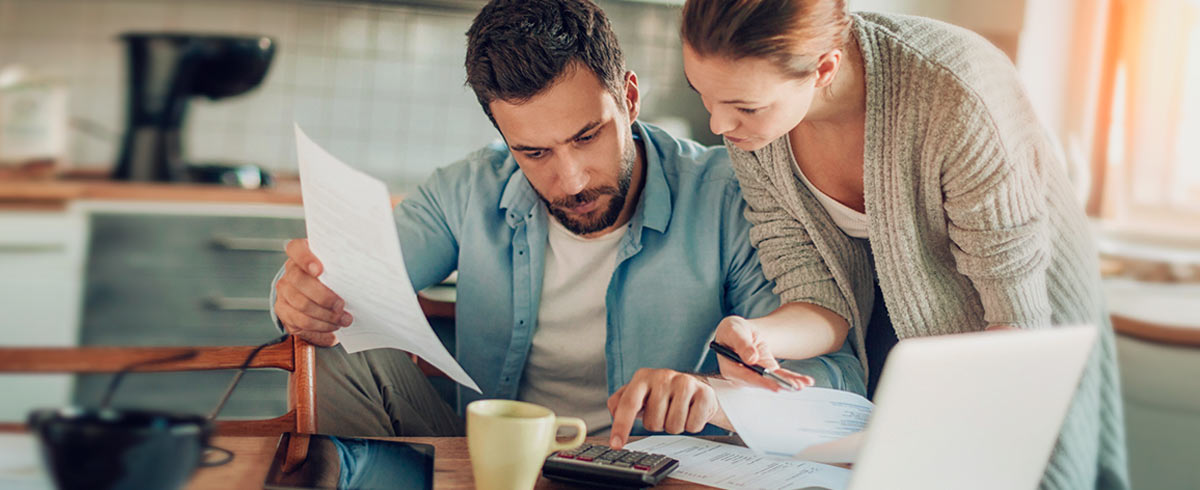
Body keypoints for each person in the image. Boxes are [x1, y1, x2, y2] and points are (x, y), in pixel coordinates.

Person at [269, 0, 863, 448]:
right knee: (331, 343)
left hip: (652, 471)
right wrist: (300, 297)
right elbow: (346, 283)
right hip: (489, 464)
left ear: (629, 98)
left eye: (587, 136)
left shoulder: (729, 196)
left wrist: (717, 396)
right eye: (534, 153)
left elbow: (834, 378)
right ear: (504, 138)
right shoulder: (467, 189)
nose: (571, 179)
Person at [677, 1, 1128, 488]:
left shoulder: (956, 91)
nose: (718, 126)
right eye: (703, 94)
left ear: (824, 68)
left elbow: (1016, 324)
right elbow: (818, 297)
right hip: (894, 309)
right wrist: (759, 336)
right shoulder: (755, 134)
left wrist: (946, 421)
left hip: (1023, 311)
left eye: (745, 107)